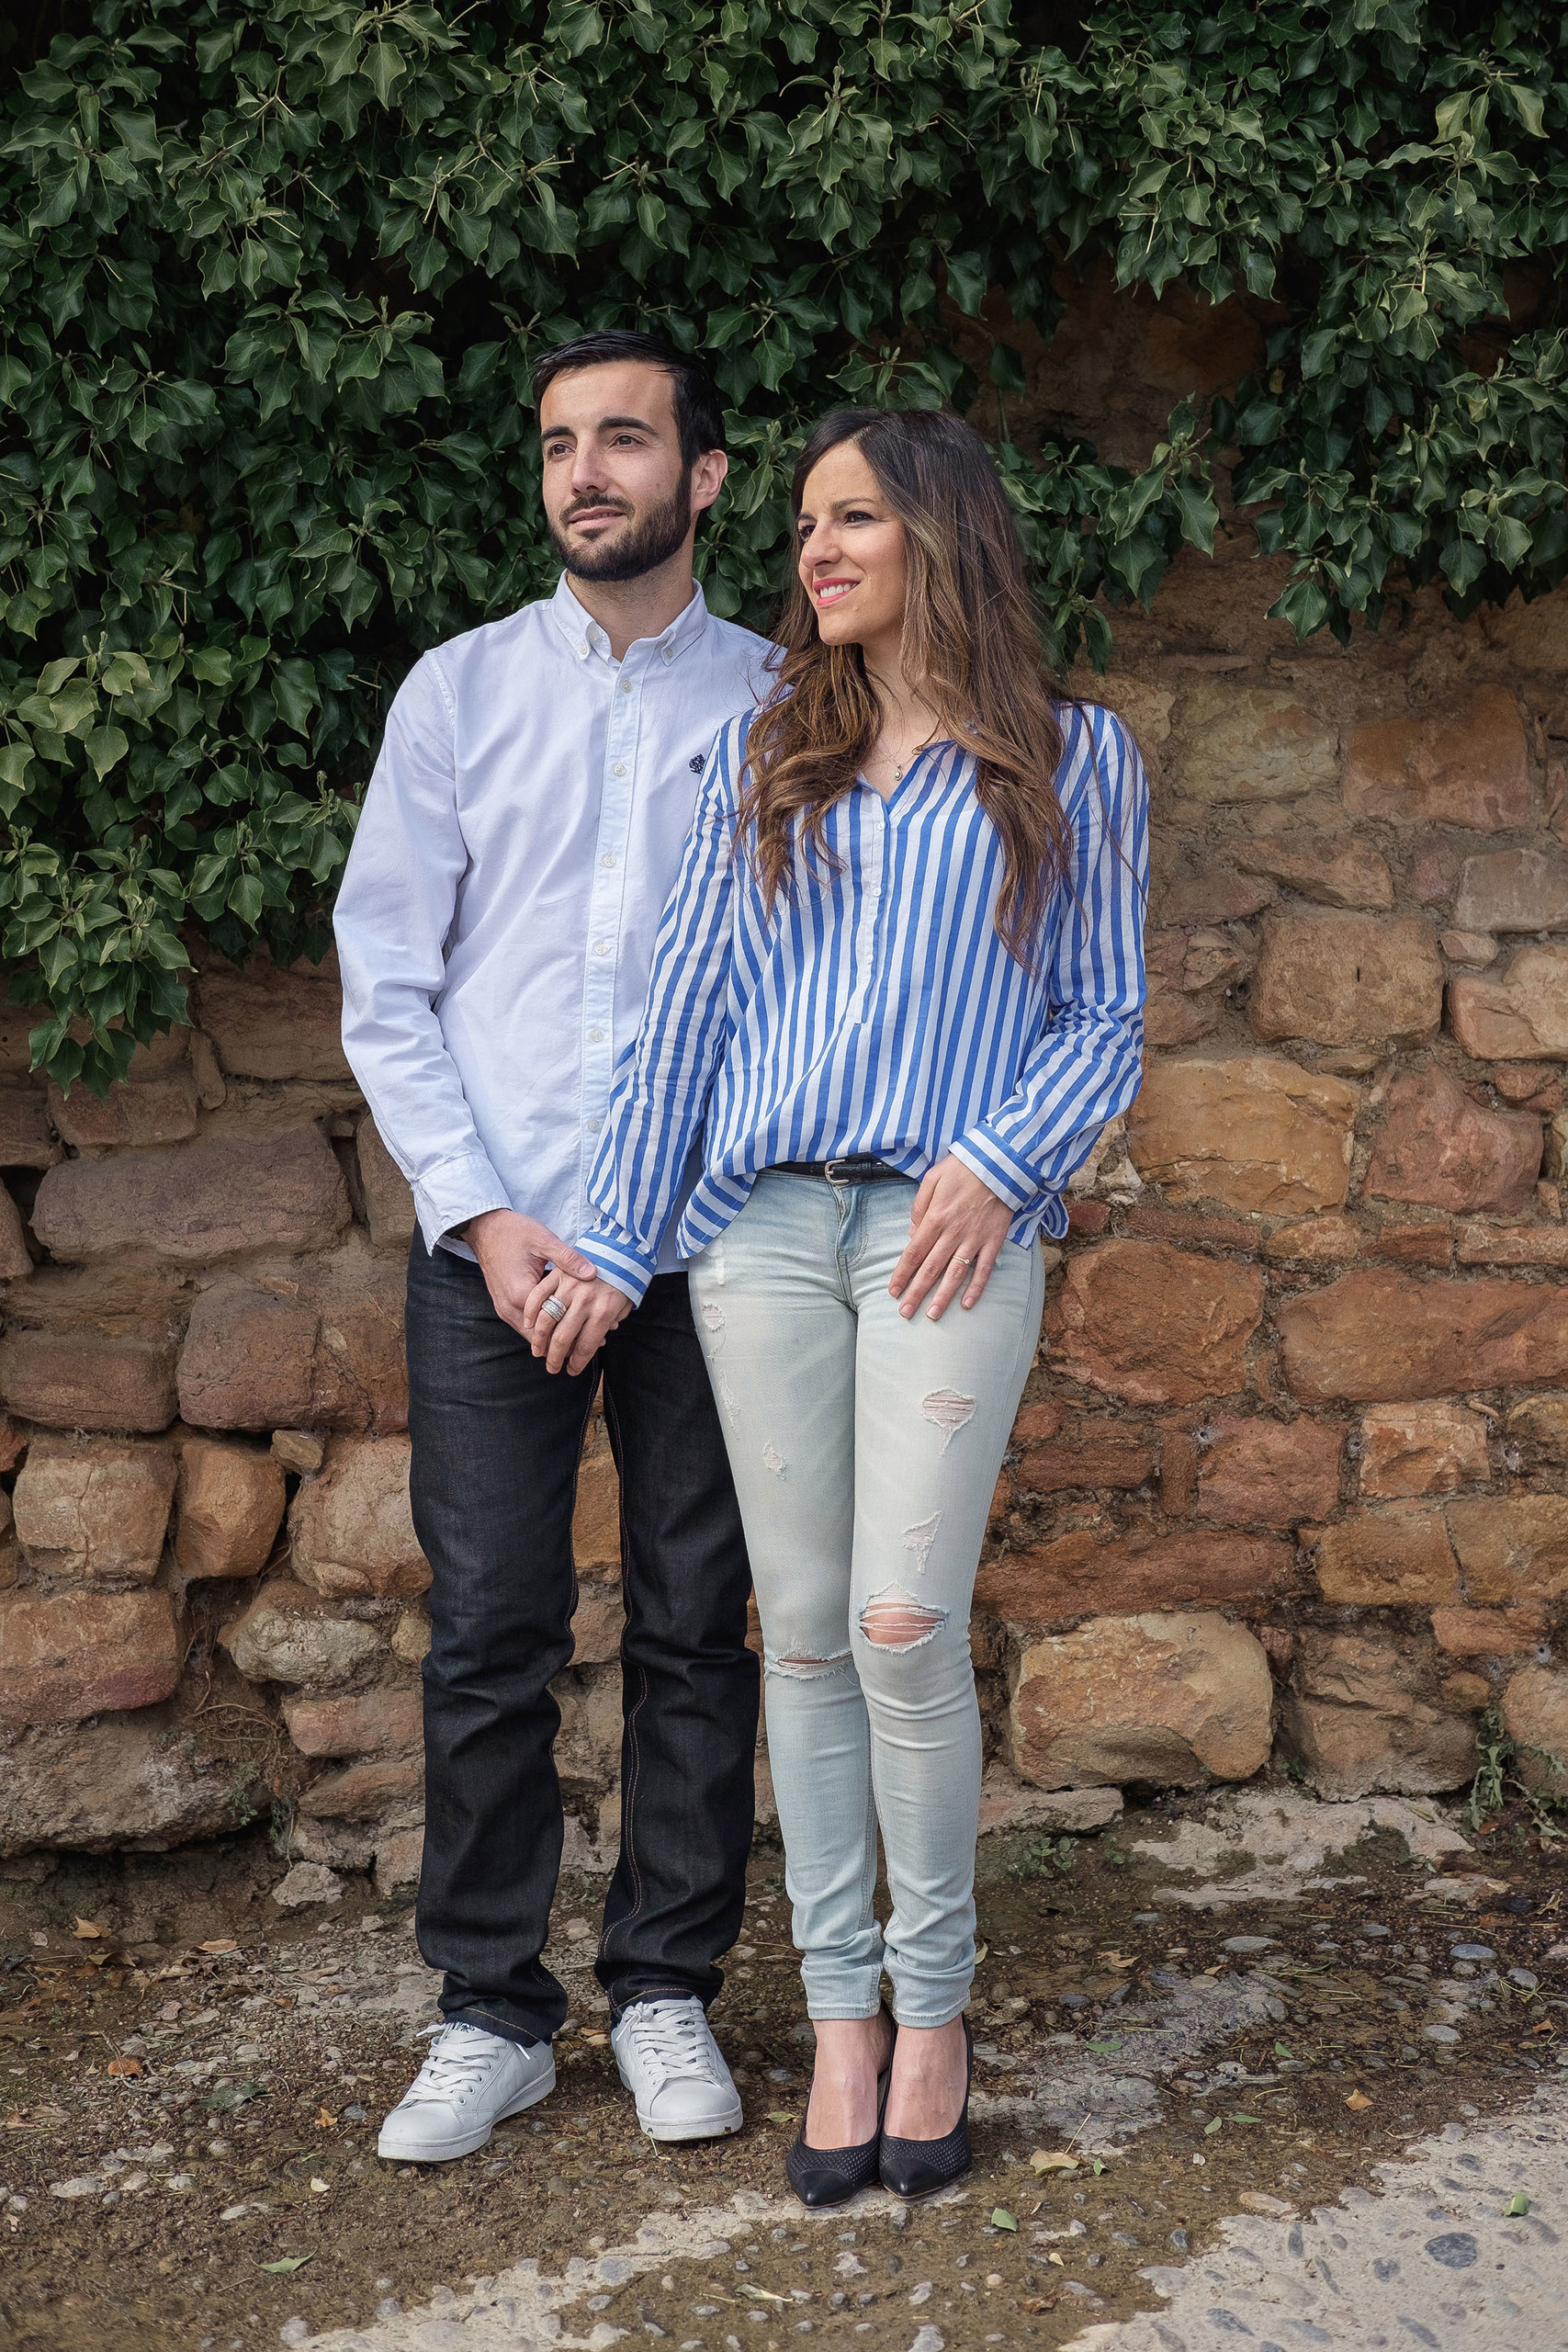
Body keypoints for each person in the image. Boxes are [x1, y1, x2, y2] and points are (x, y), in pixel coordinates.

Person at [528, 405, 1148, 2203]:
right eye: (802, 522)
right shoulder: (766, 751)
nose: (814, 549)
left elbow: (1099, 1017)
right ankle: (843, 2012)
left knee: (894, 1620)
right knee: (792, 1626)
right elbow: (686, 1028)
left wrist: (999, 1159)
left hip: (947, 1228)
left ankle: (937, 2006)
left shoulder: (1068, 754)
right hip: (758, 1231)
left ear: (938, 533)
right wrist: (607, 1240)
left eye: (851, 515)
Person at [333, 330, 771, 2165]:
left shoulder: (782, 700)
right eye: (556, 444)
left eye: (622, 438)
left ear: (705, 474)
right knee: (490, 1626)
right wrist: (496, 1219)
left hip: (703, 1244)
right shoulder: (453, 691)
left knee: (695, 1621)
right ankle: (491, 2009)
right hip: (489, 1251)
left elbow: (783, 1000)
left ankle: (665, 1982)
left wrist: (634, 1225)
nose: (583, 470)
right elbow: (386, 984)